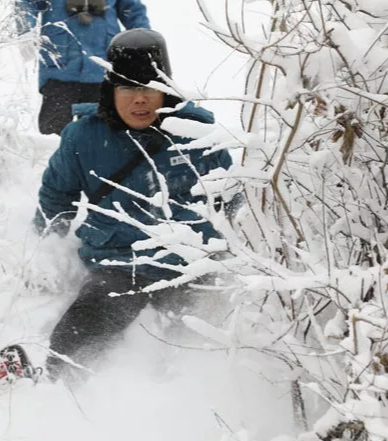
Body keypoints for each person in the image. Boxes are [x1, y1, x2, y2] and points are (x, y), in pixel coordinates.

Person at [33, 28, 239, 382]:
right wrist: (45, 249)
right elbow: (56, 197)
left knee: (197, 352)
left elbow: (231, 197)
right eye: (127, 87)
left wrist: (220, 249)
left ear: (166, 90)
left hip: (191, 266)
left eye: (149, 87)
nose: (139, 99)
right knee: (75, 338)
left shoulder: (197, 134)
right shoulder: (83, 137)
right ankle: (48, 392)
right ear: (110, 90)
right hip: (119, 264)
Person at [15, 0, 151, 136]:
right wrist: (25, 31)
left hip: (102, 70)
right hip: (59, 68)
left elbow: (132, 10)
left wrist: (146, 45)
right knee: (52, 140)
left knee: (101, 140)